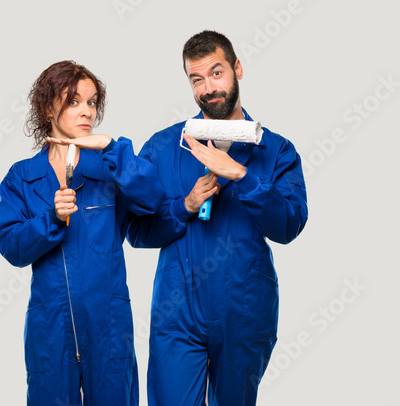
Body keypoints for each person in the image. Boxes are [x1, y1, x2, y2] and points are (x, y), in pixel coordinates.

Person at [127, 30, 308, 406]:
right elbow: (136, 230)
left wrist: (243, 176)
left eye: (216, 73)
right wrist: (185, 205)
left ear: (237, 69)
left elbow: (289, 226)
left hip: (243, 310)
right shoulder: (164, 146)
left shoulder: (275, 150)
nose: (208, 87)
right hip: (178, 313)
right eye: (197, 79)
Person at [0, 60, 163, 405]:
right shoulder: (22, 177)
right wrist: (51, 218)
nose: (86, 111)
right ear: (47, 106)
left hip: (108, 325)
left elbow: (154, 199)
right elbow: (11, 246)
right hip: (50, 328)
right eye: (73, 101)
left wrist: (112, 148)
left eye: (92, 102)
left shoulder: (108, 169)